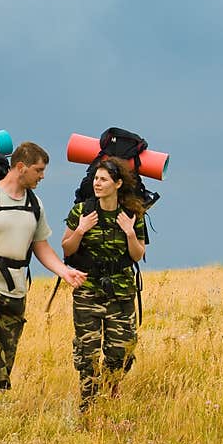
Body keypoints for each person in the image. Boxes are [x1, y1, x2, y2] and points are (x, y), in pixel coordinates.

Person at [0, 141, 87, 427]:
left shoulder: (34, 204)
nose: (42, 176)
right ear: (20, 167)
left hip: (15, 290)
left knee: (4, 354)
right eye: (38, 170)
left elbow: (41, 247)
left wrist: (64, 271)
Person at [61, 156, 147, 414]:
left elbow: (137, 255)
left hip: (120, 292)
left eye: (103, 179)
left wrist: (130, 232)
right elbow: (67, 249)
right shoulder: (81, 211)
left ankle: (111, 393)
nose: (97, 183)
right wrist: (81, 230)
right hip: (88, 290)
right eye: (96, 179)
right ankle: (88, 404)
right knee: (87, 350)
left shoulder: (132, 214)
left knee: (120, 350)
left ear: (118, 183)